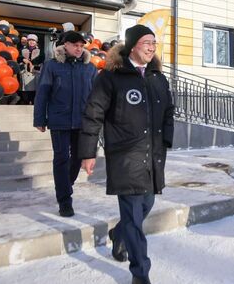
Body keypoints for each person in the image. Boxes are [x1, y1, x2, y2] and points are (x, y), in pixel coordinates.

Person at [79, 24, 175, 284]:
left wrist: (166, 140)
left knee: (147, 205)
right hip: (124, 155)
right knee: (134, 214)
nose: (152, 46)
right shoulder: (111, 76)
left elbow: (168, 111)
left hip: (152, 155)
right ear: (133, 45)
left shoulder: (158, 77)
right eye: (146, 41)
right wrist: (88, 152)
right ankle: (140, 272)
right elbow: (93, 113)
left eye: (153, 42)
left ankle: (119, 234)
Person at [33, 31, 97, 217]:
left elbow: (95, 98)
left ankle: (65, 185)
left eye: (81, 45)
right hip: (59, 120)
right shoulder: (52, 66)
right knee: (61, 159)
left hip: (82, 121)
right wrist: (39, 118)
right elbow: (43, 92)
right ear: (65, 46)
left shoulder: (90, 68)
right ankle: (64, 200)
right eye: (75, 45)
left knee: (77, 158)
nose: (79, 48)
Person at [19, 34, 44, 105]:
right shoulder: (23, 49)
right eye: (30, 40)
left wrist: (31, 62)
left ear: (36, 42)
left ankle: (34, 103)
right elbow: (18, 57)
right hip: (25, 72)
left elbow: (41, 58)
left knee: (35, 89)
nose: (31, 42)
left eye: (33, 40)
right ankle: (26, 102)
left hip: (35, 72)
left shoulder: (40, 50)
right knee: (25, 89)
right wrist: (23, 59)